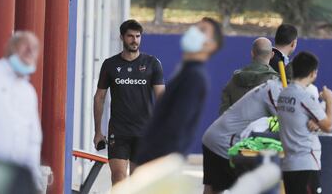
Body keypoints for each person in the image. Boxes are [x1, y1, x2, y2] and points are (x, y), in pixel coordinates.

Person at [135, 17, 224, 165]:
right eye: (195, 27)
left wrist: (153, 162)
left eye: (202, 30)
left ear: (211, 46)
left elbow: (176, 125)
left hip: (160, 163)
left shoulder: (194, 77)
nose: (194, 32)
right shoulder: (186, 72)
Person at [93, 19, 165, 185]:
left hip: (144, 131)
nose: (134, 40)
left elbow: (162, 97)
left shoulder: (153, 64)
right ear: (122, 37)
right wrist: (98, 131)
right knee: (118, 178)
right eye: (130, 36)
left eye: (138, 36)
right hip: (118, 131)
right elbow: (99, 97)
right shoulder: (110, 64)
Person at [202, 78, 283, 194]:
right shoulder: (275, 89)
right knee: (238, 188)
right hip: (224, 142)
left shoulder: (270, 85)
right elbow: (288, 121)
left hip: (214, 136)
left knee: (214, 189)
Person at [0, 31, 42, 192]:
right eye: (25, 45)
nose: (30, 51)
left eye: (35, 48)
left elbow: (34, 139)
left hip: (17, 175)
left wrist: (34, 177)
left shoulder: (28, 91)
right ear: (11, 47)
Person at [277, 51, 332, 194]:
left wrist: (316, 121)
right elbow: (328, 126)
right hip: (307, 164)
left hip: (289, 166)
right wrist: (329, 101)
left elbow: (299, 117)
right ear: (313, 73)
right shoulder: (305, 97)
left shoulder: (283, 94)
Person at [219, 37, 278, 114]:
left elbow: (224, 114)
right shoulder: (276, 82)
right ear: (272, 55)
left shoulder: (233, 80)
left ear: (252, 53)